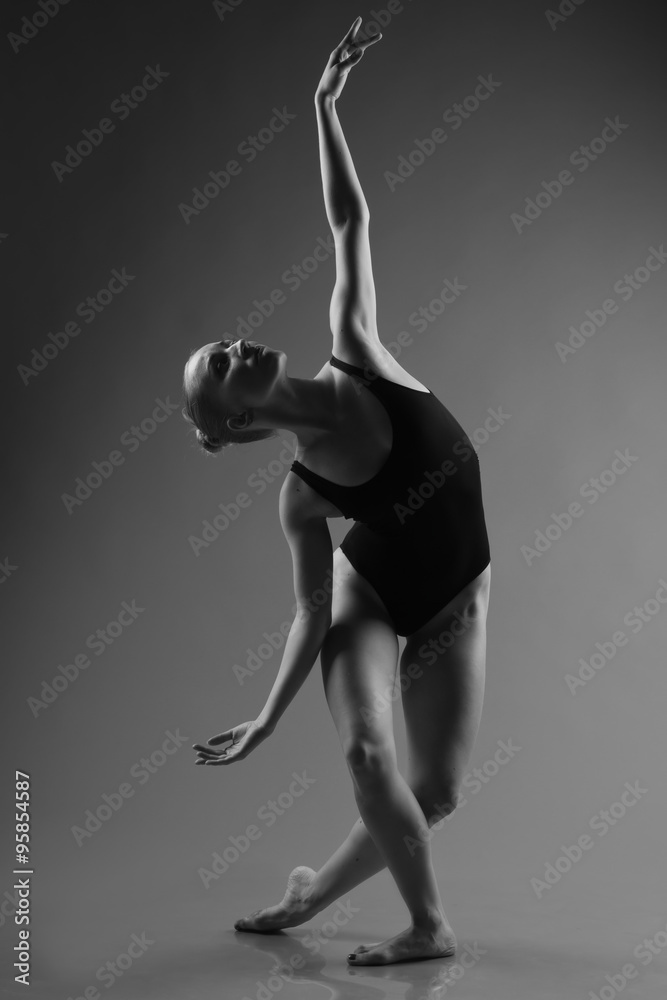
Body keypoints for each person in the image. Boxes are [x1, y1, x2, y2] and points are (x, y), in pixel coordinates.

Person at [183, 17, 491, 966]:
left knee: (435, 793)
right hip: (368, 591)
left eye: (221, 343)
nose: (232, 343)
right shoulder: (302, 496)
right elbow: (311, 610)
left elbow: (349, 222)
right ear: (237, 419)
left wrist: (323, 105)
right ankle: (429, 928)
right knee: (365, 754)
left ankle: (309, 895)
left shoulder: (355, 347)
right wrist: (267, 718)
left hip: (453, 596)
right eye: (218, 364)